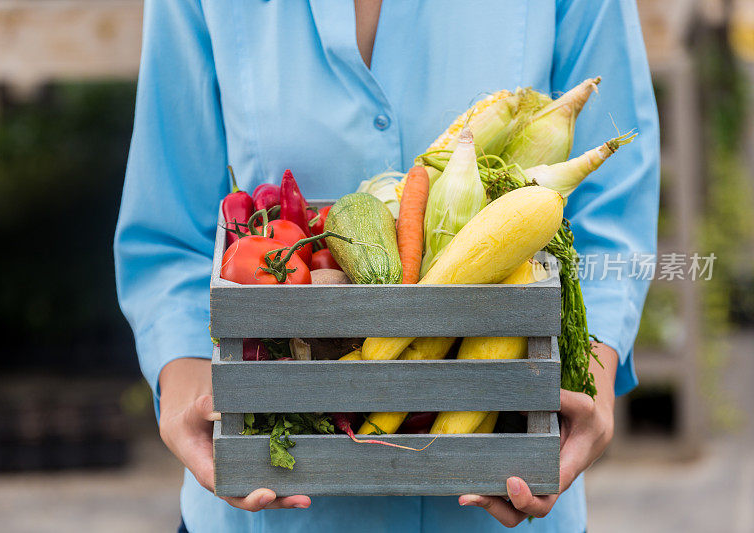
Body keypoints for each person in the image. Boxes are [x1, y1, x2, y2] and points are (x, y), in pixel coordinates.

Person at [114, 1, 659, 531]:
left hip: (504, 484)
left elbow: (612, 218)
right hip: (270, 506)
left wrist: (594, 380)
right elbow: (170, 233)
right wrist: (190, 398)